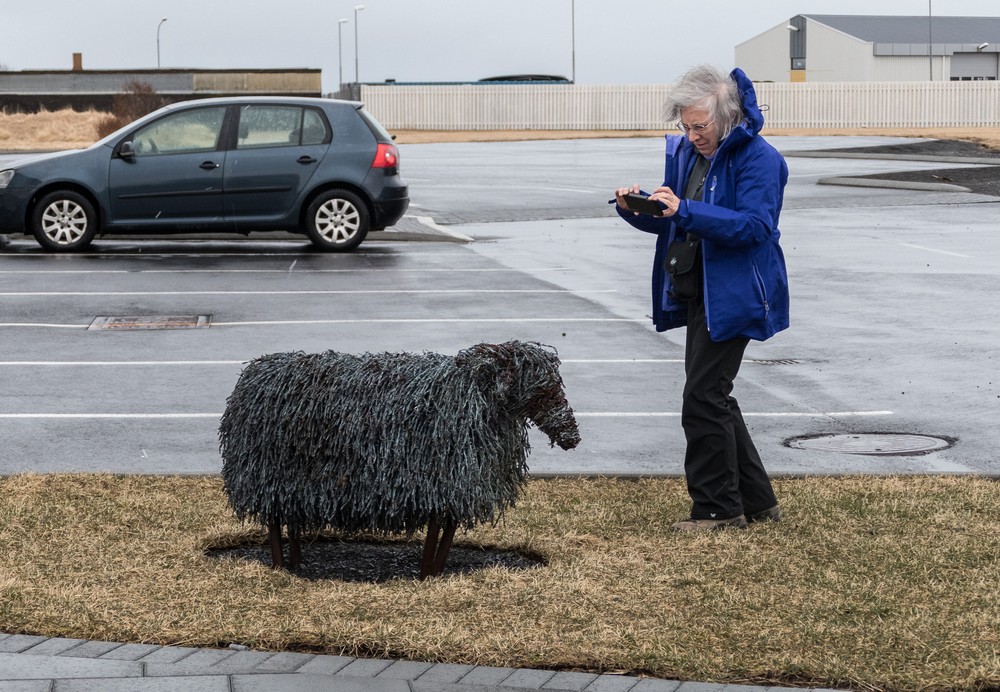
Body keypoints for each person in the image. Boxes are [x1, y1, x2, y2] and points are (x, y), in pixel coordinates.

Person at [613, 65, 789, 532]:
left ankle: (718, 510)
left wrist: (686, 209)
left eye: (700, 126)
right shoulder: (689, 156)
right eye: (685, 127)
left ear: (728, 116)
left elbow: (754, 228)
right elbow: (677, 220)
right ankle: (757, 502)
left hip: (736, 294)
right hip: (696, 289)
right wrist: (639, 209)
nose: (692, 136)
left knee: (704, 396)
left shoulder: (760, 159)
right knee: (714, 395)